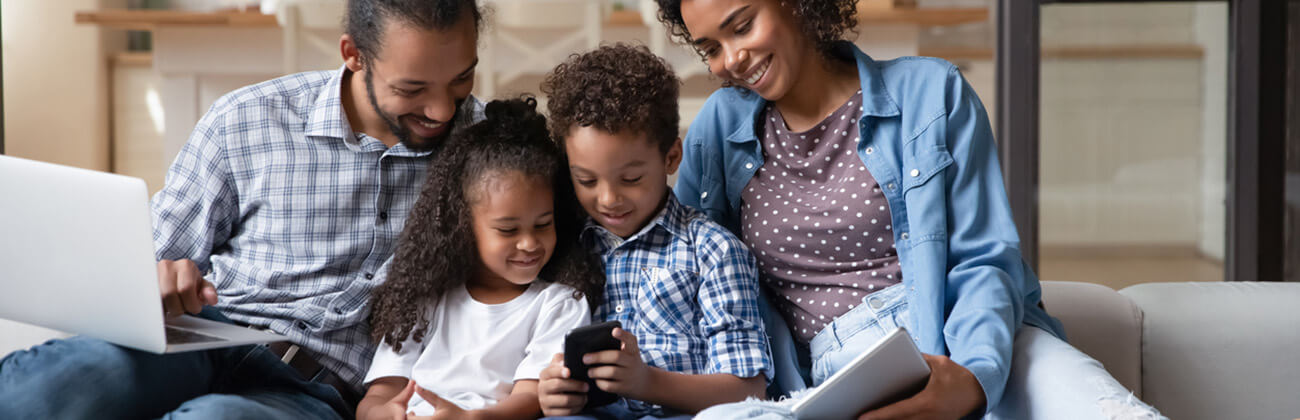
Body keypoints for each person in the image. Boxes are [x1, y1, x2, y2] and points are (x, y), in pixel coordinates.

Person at [649, 0, 1166, 418]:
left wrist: (972, 377)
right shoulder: (719, 128)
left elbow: (985, 258)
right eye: (710, 47)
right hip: (839, 371)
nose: (731, 59)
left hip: (965, 337)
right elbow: (689, 264)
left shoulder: (932, 91)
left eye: (741, 27)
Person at [0, 0, 486, 418]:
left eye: (461, 78)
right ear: (354, 56)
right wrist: (156, 279)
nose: (442, 110)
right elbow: (139, 265)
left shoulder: (490, 148)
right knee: (57, 386)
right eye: (412, 89)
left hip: (308, 388)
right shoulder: (247, 119)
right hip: (202, 339)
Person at [534, 44, 773, 419]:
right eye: (586, 180)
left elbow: (749, 390)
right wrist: (550, 391)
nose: (609, 199)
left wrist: (646, 382)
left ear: (671, 157)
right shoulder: (562, 246)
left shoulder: (713, 250)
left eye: (631, 179)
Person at [357, 97, 605, 420]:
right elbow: (379, 395)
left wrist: (471, 418)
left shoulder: (558, 303)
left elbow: (530, 398)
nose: (530, 243)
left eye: (543, 224)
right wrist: (384, 413)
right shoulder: (427, 298)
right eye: (507, 230)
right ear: (464, 226)